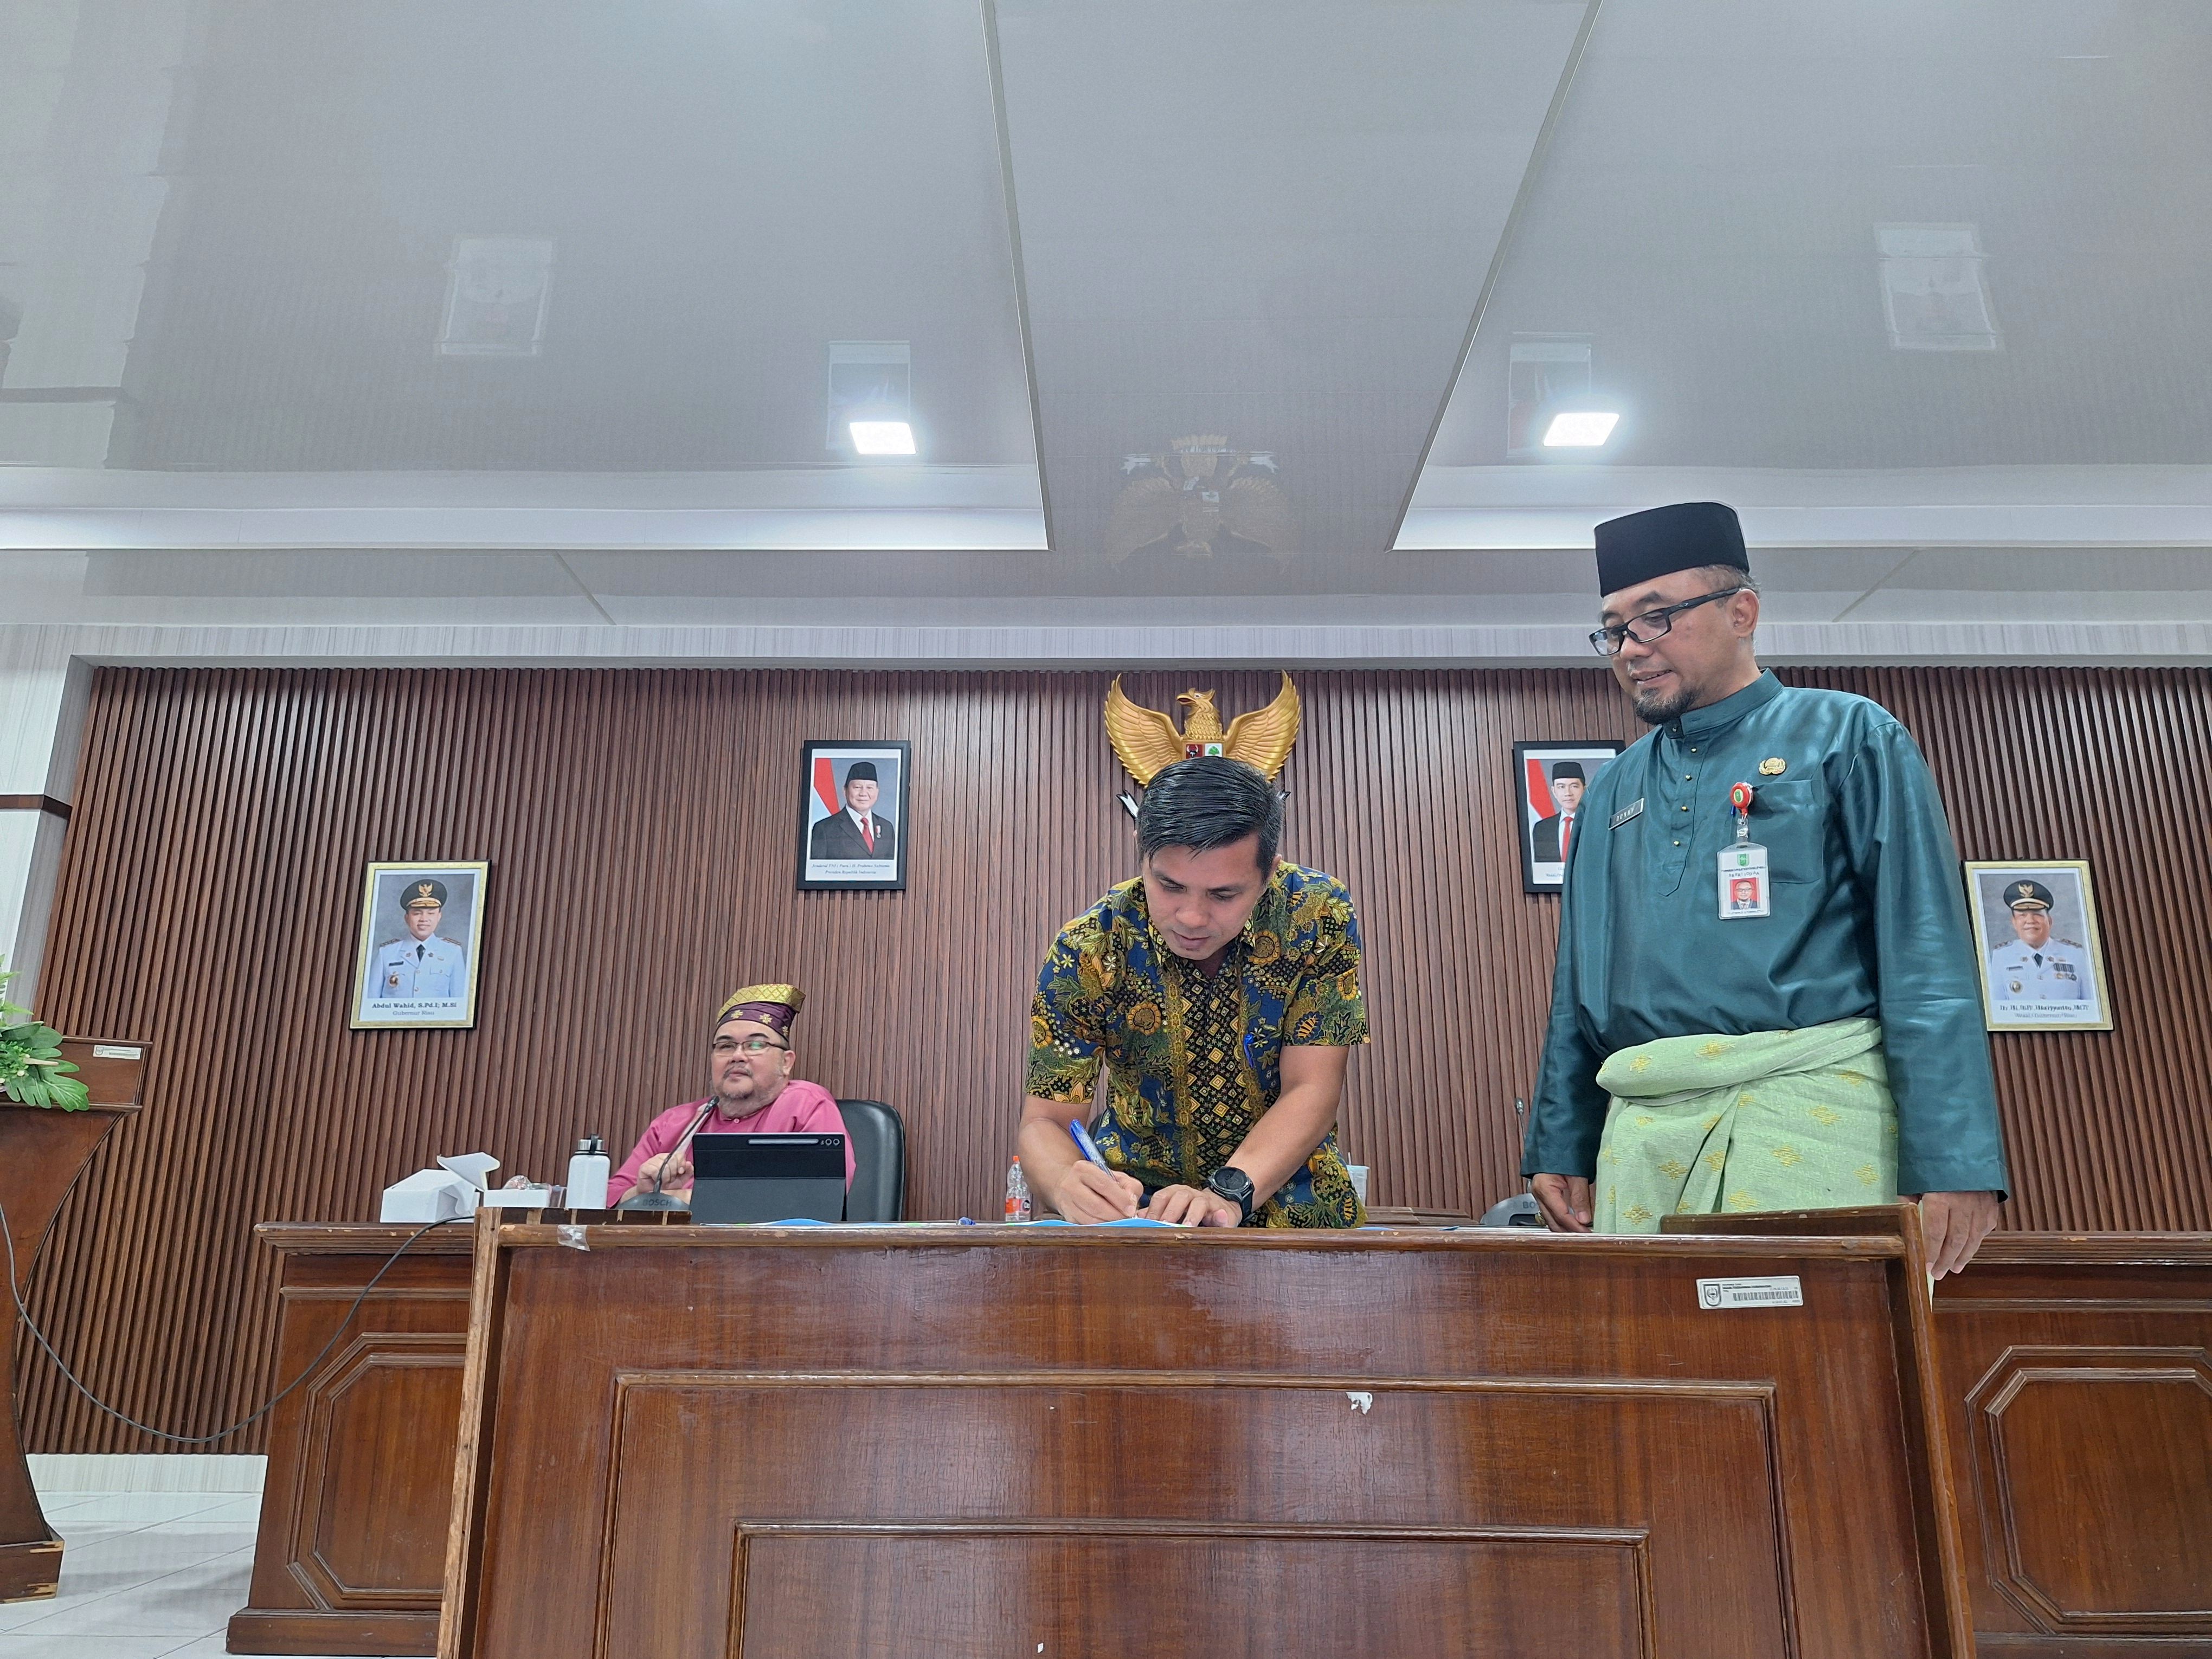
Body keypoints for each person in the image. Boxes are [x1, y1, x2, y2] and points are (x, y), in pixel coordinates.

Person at [1523, 500, 2010, 1277]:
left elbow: (1925, 952)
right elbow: (1577, 983)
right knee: (1657, 1348)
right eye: (1614, 629)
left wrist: (1955, 1160)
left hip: (1812, 1112)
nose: (1632, 647)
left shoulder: (1850, 734)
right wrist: (1561, 1140)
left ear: (1742, 612)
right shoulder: (1612, 789)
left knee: (1815, 1345)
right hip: (1643, 1133)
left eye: (1657, 617)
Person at [1018, 754, 1368, 1227]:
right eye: (1170, 885)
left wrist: (1226, 1196)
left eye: (1223, 895)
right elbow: (1046, 1121)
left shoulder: (1314, 914)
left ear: (1269, 873)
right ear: (1142, 852)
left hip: (1293, 1208)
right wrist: (1064, 1183)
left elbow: (1313, 1086)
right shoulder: (1089, 949)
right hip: (1140, 1214)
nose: (1192, 917)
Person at [607, 984, 854, 1204]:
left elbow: (818, 1196)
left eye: (755, 1045)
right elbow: (607, 1198)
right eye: (726, 1046)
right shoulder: (674, 1122)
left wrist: (683, 1199)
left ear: (786, 1063)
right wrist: (643, 1193)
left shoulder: (805, 1105)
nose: (737, 1056)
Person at [1987, 879, 2090, 1001]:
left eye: (2037, 914)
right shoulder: (2001, 957)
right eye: (2022, 915)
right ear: (2014, 923)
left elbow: (2092, 1003)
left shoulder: (2075, 954)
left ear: (2049, 921)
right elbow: (1997, 1006)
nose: (2030, 921)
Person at [371, 878, 468, 1001]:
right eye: (417, 913)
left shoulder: (453, 952)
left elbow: (459, 1002)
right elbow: (371, 1001)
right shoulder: (386, 953)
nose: (424, 919)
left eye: (431, 913)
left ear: (439, 916)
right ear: (407, 918)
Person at [808, 761, 897, 860]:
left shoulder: (887, 828)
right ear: (845, 791)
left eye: (870, 788)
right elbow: (817, 868)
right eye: (857, 787)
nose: (863, 793)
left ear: (877, 792)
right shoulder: (825, 829)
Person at [1530, 762, 1585, 864]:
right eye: (1561, 787)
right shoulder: (1541, 828)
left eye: (1574, 786)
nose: (1568, 793)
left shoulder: (1596, 824)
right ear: (1554, 791)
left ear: (1584, 790)